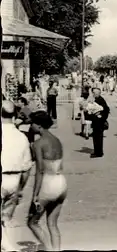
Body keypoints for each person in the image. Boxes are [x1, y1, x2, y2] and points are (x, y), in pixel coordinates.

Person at [27, 111, 67, 251]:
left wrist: (35, 195)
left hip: (48, 184)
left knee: (32, 222)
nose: (30, 125)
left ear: (39, 125)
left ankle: (49, 249)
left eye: (32, 123)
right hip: (61, 183)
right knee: (52, 223)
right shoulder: (56, 140)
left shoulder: (39, 143)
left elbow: (40, 170)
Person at [1, 101, 33, 251]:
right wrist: (20, 189)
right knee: (5, 219)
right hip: (14, 180)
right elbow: (27, 168)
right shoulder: (21, 137)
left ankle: (7, 246)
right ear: (14, 116)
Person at [90, 88, 110, 158]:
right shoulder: (97, 99)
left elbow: (106, 110)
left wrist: (101, 117)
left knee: (98, 138)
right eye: (93, 93)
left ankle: (99, 153)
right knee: (95, 137)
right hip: (96, 122)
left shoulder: (100, 100)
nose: (93, 94)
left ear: (98, 93)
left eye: (94, 93)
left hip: (99, 123)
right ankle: (96, 151)